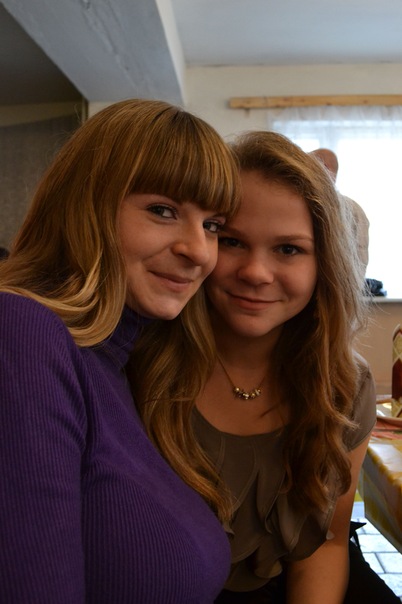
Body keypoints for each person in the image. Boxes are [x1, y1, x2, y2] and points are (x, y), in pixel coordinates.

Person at [131, 131, 400, 603]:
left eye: (289, 249)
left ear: (325, 264)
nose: (255, 273)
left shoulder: (344, 383)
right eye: (232, 241)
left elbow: (326, 542)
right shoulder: (138, 364)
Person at [0, 98, 241, 603]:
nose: (199, 251)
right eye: (163, 211)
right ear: (85, 204)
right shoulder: (21, 332)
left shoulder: (124, 359)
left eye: (213, 226)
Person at [309, 147, 370, 282]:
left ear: (324, 168)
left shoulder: (352, 210)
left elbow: (360, 258)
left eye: (309, 166)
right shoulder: (302, 205)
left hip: (340, 286)